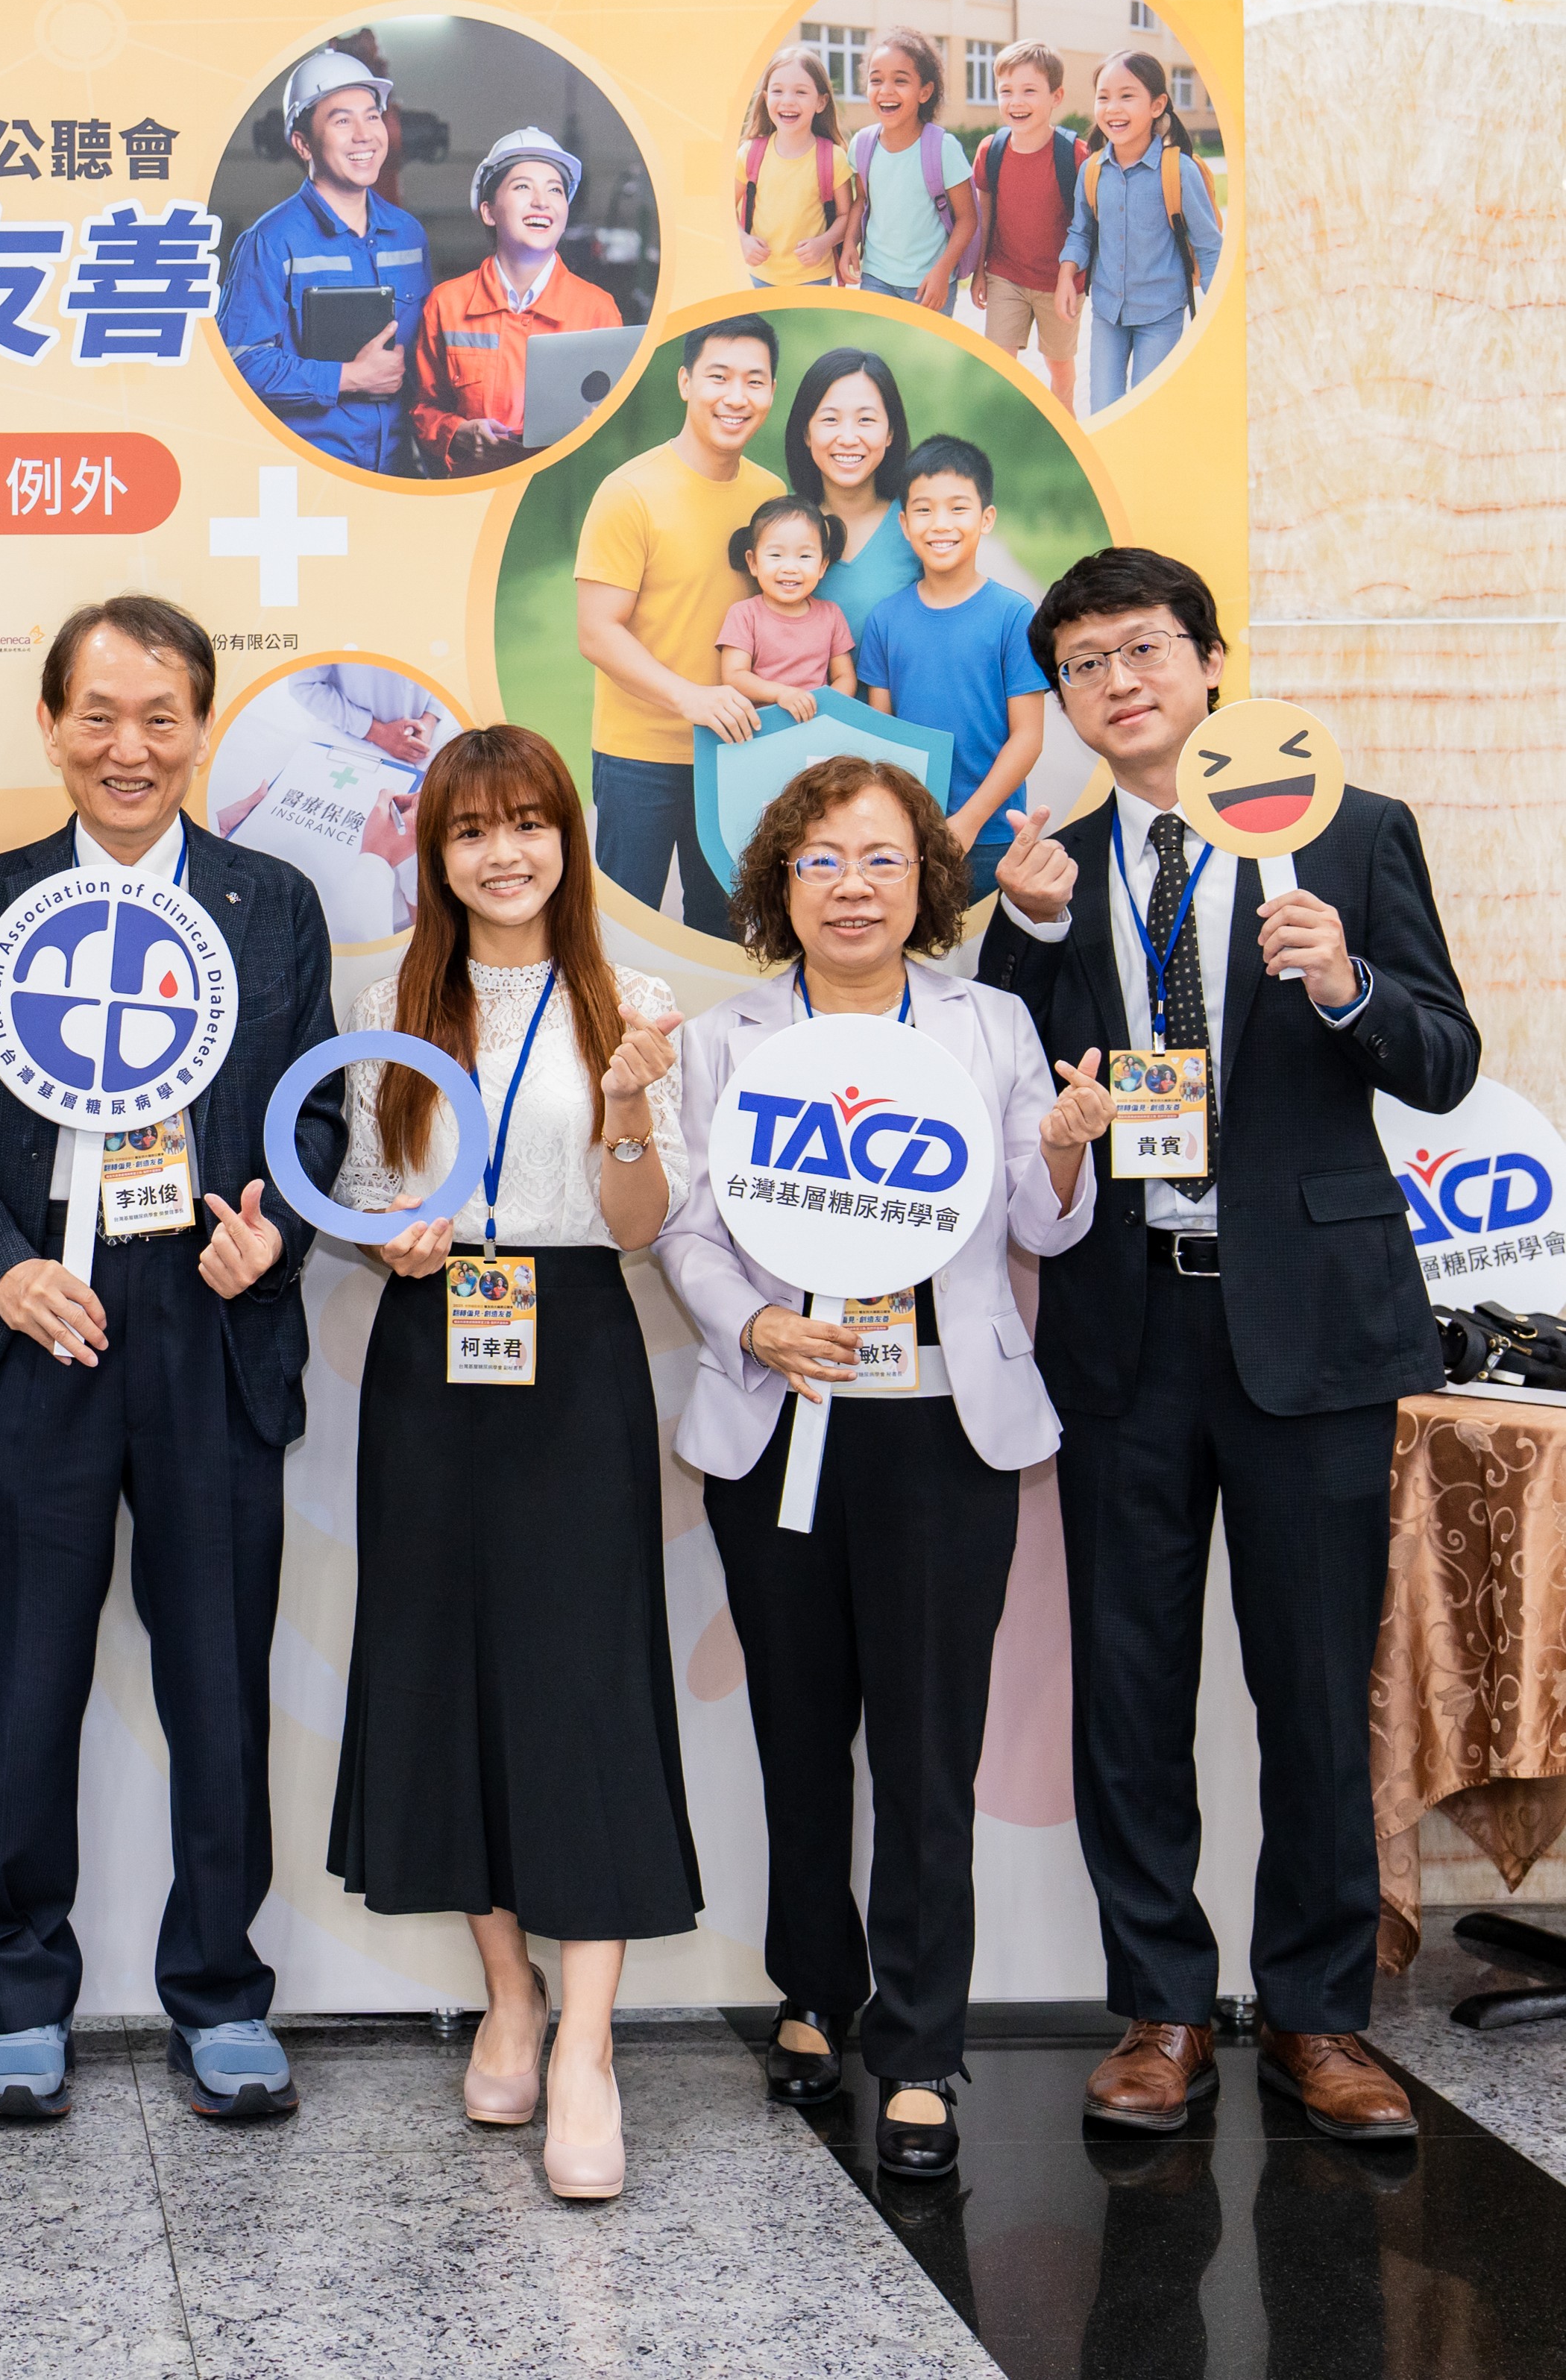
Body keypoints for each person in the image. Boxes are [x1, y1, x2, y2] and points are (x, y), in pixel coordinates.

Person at [981, 546, 1477, 2146]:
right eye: (1083, 665)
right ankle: (1161, 2009)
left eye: (1142, 648)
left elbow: (1443, 1058)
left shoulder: (1352, 832)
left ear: (1207, 661)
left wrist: (1344, 983)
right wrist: (1025, 935)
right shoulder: (1052, 869)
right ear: (1063, 702)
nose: (1117, 682)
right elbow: (1010, 1086)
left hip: (1309, 1325)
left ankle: (1321, 2017)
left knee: (1313, 1689)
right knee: (1129, 1686)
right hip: (1123, 1323)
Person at [0, 595, 343, 2124]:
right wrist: (1, 1265)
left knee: (217, 1679)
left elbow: (319, 1108)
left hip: (209, 1315)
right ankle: (17, 1992)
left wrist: (272, 1233)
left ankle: (219, 1989)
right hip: (44, 1314)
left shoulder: (273, 904)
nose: (128, 746)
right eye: (97, 714)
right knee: (23, 1679)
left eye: (160, 715)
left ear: (201, 727)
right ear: (50, 726)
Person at [656, 755, 1110, 2182]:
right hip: (779, 1414)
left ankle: (918, 2044)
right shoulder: (722, 1038)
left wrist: (1063, 1150)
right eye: (820, 861)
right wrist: (754, 1324)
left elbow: (1045, 1227)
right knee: (798, 1731)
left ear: (927, 882)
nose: (850, 887)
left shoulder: (990, 1024)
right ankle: (812, 1986)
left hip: (941, 1426)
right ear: (776, 885)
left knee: (925, 1750)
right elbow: (682, 1227)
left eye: (880, 860)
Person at [327, 725, 700, 2201]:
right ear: (436, 852)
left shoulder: (635, 1003)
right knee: (445, 1670)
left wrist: (626, 1109)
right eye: (473, 829)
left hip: (579, 1346)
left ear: (567, 837)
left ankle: (589, 2047)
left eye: (529, 822)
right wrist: (391, 1240)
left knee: (582, 1684)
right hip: (432, 1353)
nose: (504, 853)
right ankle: (510, 1993)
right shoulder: (388, 1004)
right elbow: (363, 1189)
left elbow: (640, 1226)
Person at [573, 312, 783, 934]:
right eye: (719, 376)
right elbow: (597, 631)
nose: (736, 396)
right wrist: (690, 697)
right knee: (625, 932)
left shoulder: (771, 495)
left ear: (772, 391)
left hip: (735, 752)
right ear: (686, 381)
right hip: (638, 756)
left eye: (754, 380)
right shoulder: (629, 492)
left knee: (722, 933)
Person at [853, 436, 1051, 901]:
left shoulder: (1013, 615)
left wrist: (968, 822)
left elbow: (1028, 737)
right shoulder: (885, 620)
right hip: (907, 836)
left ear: (986, 519)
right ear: (904, 524)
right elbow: (883, 735)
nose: (940, 524)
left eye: (958, 508)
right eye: (924, 510)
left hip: (992, 837)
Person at [217, 47, 433, 474]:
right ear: (302, 144)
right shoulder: (271, 242)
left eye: (372, 116)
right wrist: (348, 378)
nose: (364, 135)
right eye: (342, 121)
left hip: (398, 468)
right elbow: (238, 364)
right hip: (311, 471)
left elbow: (426, 357)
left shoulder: (409, 235)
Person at [406, 125, 623, 476]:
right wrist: (458, 432)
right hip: (475, 493)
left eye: (555, 190)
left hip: (558, 492)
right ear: (489, 211)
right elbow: (423, 409)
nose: (542, 201)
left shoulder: (597, 309)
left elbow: (620, 424)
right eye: (523, 187)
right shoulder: (447, 304)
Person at [212, 659, 452, 942]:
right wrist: (376, 731)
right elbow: (304, 685)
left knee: (422, 851)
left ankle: (427, 949)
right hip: (351, 739)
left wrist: (429, 719)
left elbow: (443, 670)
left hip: (422, 741)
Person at [1059, 52, 1224, 414]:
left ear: (1157, 105)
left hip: (1162, 315)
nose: (1113, 108)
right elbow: (1081, 232)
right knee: (1103, 411)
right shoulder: (1092, 171)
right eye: (1104, 97)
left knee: (1146, 413)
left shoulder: (1179, 171)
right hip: (1107, 313)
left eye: (1127, 96)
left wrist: (1219, 316)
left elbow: (1210, 248)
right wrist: (1066, 275)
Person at [968, 41, 1089, 409]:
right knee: (999, 367)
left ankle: (1064, 423)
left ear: (1056, 97)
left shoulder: (1075, 155)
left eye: (1029, 91)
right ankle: (1009, 432)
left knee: (1059, 367)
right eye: (1006, 91)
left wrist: (1072, 276)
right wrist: (979, 271)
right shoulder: (991, 150)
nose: (1016, 102)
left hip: (1060, 283)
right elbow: (984, 215)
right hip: (1006, 275)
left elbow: (1085, 225)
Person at [784, 347, 922, 638]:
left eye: (866, 420)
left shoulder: (919, 526)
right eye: (830, 420)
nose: (848, 438)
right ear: (806, 433)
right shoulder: (780, 526)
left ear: (890, 433)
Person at [841, 28, 978, 312]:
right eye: (876, 80)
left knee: (926, 345)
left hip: (929, 283)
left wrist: (942, 272)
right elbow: (862, 200)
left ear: (924, 92)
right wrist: (850, 244)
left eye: (900, 80)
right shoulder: (862, 144)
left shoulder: (943, 148)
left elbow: (968, 219)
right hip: (876, 277)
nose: (886, 90)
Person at [717, 496, 858, 722]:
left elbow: (845, 677)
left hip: (819, 724)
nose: (790, 568)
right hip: (762, 729)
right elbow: (735, 676)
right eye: (776, 555)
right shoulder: (744, 614)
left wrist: (821, 709)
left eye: (805, 556)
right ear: (753, 562)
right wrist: (782, 694)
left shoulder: (831, 615)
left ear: (822, 565)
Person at [735, 43, 857, 291]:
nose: (788, 101)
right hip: (758, 276)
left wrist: (824, 243)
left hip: (813, 278)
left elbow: (845, 216)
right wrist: (742, 239)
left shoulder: (833, 158)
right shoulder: (749, 154)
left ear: (821, 102)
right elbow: (722, 208)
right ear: (766, 98)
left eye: (801, 92)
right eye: (778, 91)